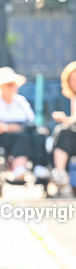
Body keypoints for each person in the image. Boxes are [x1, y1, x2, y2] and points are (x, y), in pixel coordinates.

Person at [0, 67, 47, 182]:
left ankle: (39, 166)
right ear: (1, 87)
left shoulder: (20, 101)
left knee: (38, 136)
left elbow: (31, 120)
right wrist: (7, 127)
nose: (13, 88)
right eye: (9, 85)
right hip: (3, 135)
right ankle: (19, 168)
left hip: (24, 130)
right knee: (21, 136)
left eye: (14, 85)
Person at [49, 61, 76, 197]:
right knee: (61, 132)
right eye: (72, 79)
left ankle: (60, 175)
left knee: (63, 132)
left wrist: (65, 119)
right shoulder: (73, 98)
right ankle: (60, 175)